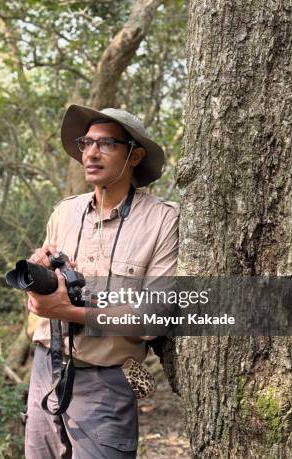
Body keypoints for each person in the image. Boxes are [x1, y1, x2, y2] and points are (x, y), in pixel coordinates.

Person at [24, 104, 179, 458]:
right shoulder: (65, 212)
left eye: (106, 143)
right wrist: (38, 284)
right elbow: (41, 300)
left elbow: (154, 317)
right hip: (46, 369)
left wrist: (70, 310)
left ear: (135, 155)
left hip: (105, 383)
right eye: (86, 142)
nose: (91, 153)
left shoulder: (161, 220)